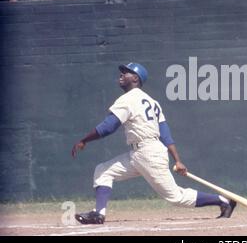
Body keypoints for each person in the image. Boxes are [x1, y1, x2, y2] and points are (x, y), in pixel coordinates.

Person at [71, 62, 236, 224]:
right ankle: (98, 214)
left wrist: (83, 140)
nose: (121, 75)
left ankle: (223, 201)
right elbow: (165, 134)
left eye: (126, 72)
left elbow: (109, 126)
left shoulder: (128, 99)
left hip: (148, 153)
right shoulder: (153, 102)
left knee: (176, 197)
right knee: (103, 171)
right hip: (141, 153)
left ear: (135, 78)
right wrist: (177, 160)